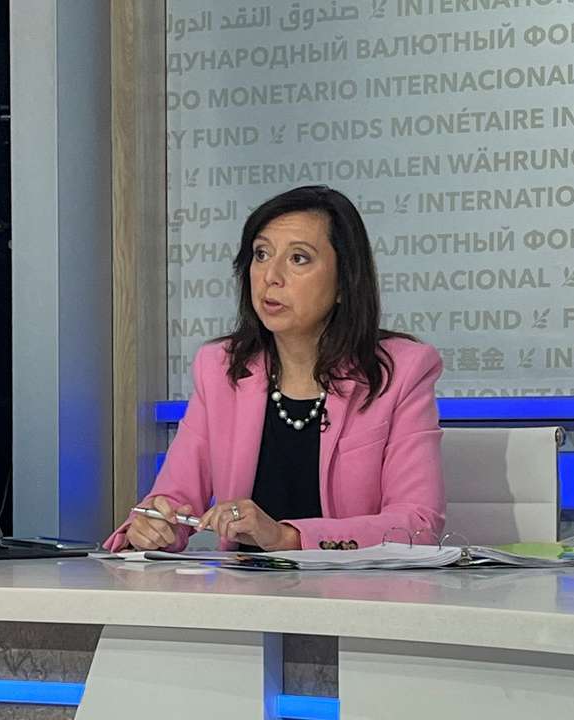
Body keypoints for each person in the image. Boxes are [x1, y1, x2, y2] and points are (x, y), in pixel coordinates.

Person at [105, 185, 444, 553]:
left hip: (356, 599)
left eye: (298, 258)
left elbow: (418, 524)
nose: (271, 276)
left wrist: (287, 538)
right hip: (246, 599)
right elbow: (171, 498)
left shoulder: (400, 372)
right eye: (261, 254)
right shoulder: (221, 368)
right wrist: (152, 527)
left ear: (345, 282)